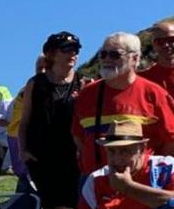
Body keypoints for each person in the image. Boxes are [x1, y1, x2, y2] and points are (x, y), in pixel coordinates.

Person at [71, 32, 174, 178]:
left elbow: (170, 142)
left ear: (135, 58)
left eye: (115, 55)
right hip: (95, 182)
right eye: (103, 54)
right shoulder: (88, 94)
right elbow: (79, 136)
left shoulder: (154, 94)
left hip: (140, 183)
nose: (107, 59)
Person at [16, 32, 85, 209]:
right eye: (66, 50)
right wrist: (23, 151)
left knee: (74, 207)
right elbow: (24, 122)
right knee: (49, 208)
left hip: (73, 157)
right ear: (52, 54)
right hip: (41, 157)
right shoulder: (35, 83)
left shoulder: (83, 82)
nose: (72, 54)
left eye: (75, 50)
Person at [139, 19, 174, 95]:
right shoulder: (144, 79)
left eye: (171, 40)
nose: (166, 45)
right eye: (160, 41)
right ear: (154, 45)